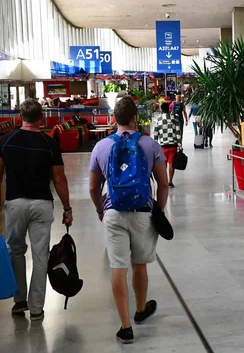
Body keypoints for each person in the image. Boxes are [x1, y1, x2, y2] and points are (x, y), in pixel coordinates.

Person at [89, 97, 169, 344]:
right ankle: (141, 309)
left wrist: (100, 209)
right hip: (143, 212)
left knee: (118, 267)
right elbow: (163, 184)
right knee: (139, 264)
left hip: (113, 212)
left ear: (114, 118)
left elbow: (93, 188)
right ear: (136, 118)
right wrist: (159, 210)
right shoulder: (149, 144)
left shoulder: (101, 147)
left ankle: (125, 327)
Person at [0, 99, 73, 321]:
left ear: (19, 117)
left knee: (15, 251)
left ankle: (19, 300)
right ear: (41, 118)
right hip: (41, 204)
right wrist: (67, 208)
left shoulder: (5, 141)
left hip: (15, 204)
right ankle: (36, 308)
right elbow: (59, 179)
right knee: (40, 255)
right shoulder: (49, 143)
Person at [153, 102, 182, 188]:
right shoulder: (175, 119)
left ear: (161, 110)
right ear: (169, 109)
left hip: (163, 146)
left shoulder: (158, 120)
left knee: (164, 165)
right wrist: (180, 145)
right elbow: (178, 133)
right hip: (173, 145)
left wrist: (155, 146)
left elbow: (155, 134)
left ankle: (164, 181)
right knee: (171, 164)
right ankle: (170, 181)